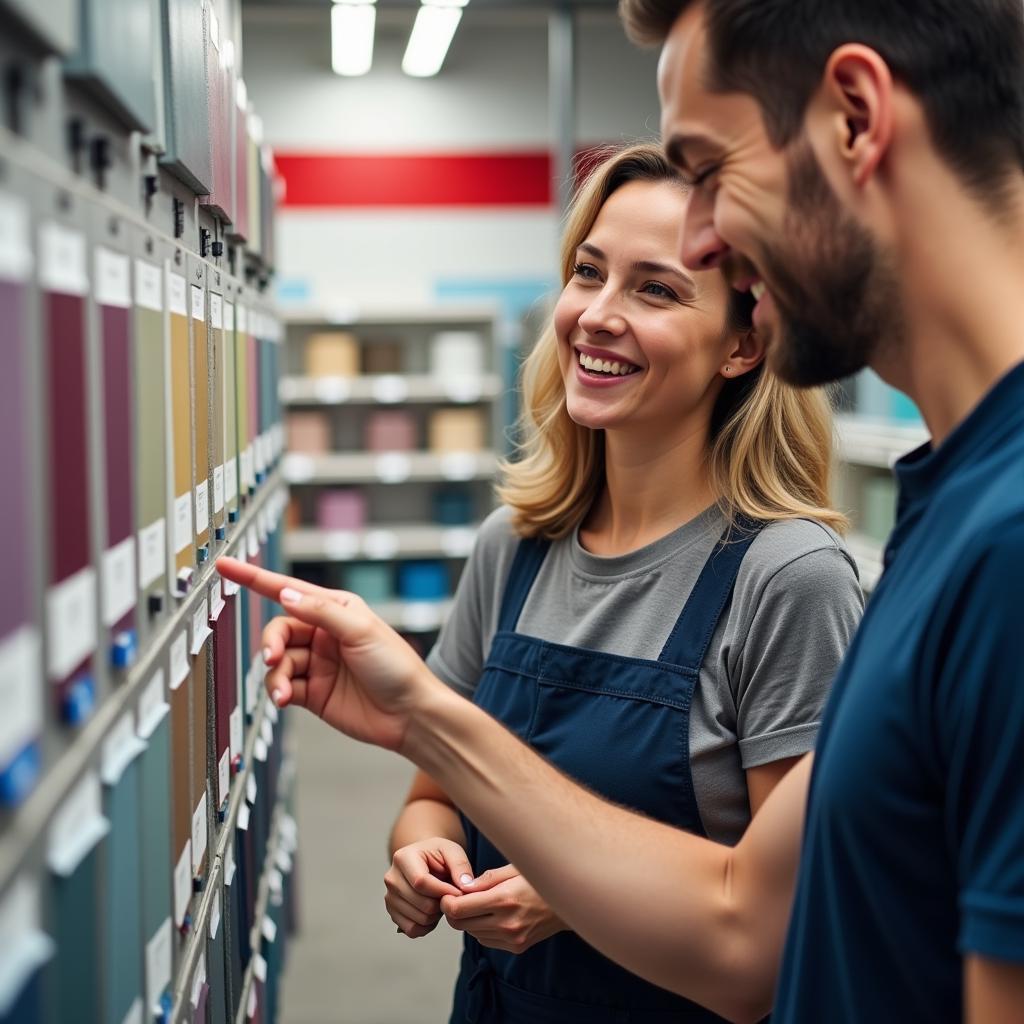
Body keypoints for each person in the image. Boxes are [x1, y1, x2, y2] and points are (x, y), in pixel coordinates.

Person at [218, 0, 1024, 1020]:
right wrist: (426, 725)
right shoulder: (946, 509)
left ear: (857, 117)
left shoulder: (985, 546)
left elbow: (746, 947)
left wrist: (432, 719)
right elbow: (767, 924)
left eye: (709, 170)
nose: (703, 235)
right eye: (590, 272)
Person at [384, 142, 861, 1023]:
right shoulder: (515, 547)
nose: (596, 315)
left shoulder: (788, 580)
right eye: (588, 272)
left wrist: (577, 895)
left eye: (656, 289)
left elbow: (793, 920)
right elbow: (432, 795)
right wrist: (424, 855)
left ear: (743, 345)